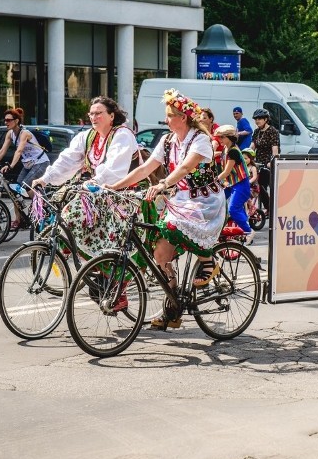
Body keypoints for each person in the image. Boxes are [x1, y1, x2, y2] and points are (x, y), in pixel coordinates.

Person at [108, 88, 227, 329]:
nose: (166, 120)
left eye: (170, 115)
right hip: (182, 200)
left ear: (183, 117)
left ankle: (208, 260)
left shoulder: (201, 140)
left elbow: (184, 168)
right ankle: (172, 307)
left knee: (172, 225)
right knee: (160, 253)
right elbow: (144, 169)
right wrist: (115, 187)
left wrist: (162, 184)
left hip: (205, 202)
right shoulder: (167, 140)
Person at [32, 96, 141, 258]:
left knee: (114, 247)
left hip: (125, 196)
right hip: (99, 195)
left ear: (111, 116)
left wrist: (95, 181)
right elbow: (67, 160)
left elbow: (113, 167)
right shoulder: (88, 137)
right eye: (91, 114)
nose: (93, 117)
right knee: (70, 220)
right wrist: (45, 178)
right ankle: (90, 267)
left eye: (98, 113)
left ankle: (112, 273)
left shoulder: (123, 135)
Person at [0, 107, 50, 229]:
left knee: (25, 186)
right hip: (28, 164)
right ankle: (20, 220)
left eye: (8, 120)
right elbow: (2, 150)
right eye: (5, 120)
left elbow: (19, 150)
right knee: (15, 190)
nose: (6, 122)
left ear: (16, 121)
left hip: (40, 162)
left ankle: (44, 207)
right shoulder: (10, 134)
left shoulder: (24, 133)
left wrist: (11, 166)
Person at [214, 124, 253, 243]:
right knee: (216, 202)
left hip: (241, 184)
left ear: (229, 138)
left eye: (222, 137)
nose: (219, 140)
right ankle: (217, 229)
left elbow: (226, 172)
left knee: (233, 209)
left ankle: (249, 231)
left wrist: (214, 181)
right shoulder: (226, 149)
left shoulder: (233, 152)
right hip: (232, 184)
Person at [250, 107, 280, 216]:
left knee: (266, 186)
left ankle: (272, 208)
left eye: (260, 119)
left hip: (268, 163)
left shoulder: (273, 131)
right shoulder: (257, 131)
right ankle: (267, 207)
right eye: (256, 119)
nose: (257, 121)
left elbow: (275, 149)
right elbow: (252, 146)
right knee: (258, 186)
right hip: (258, 163)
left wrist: (272, 161)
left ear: (266, 119)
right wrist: (245, 155)